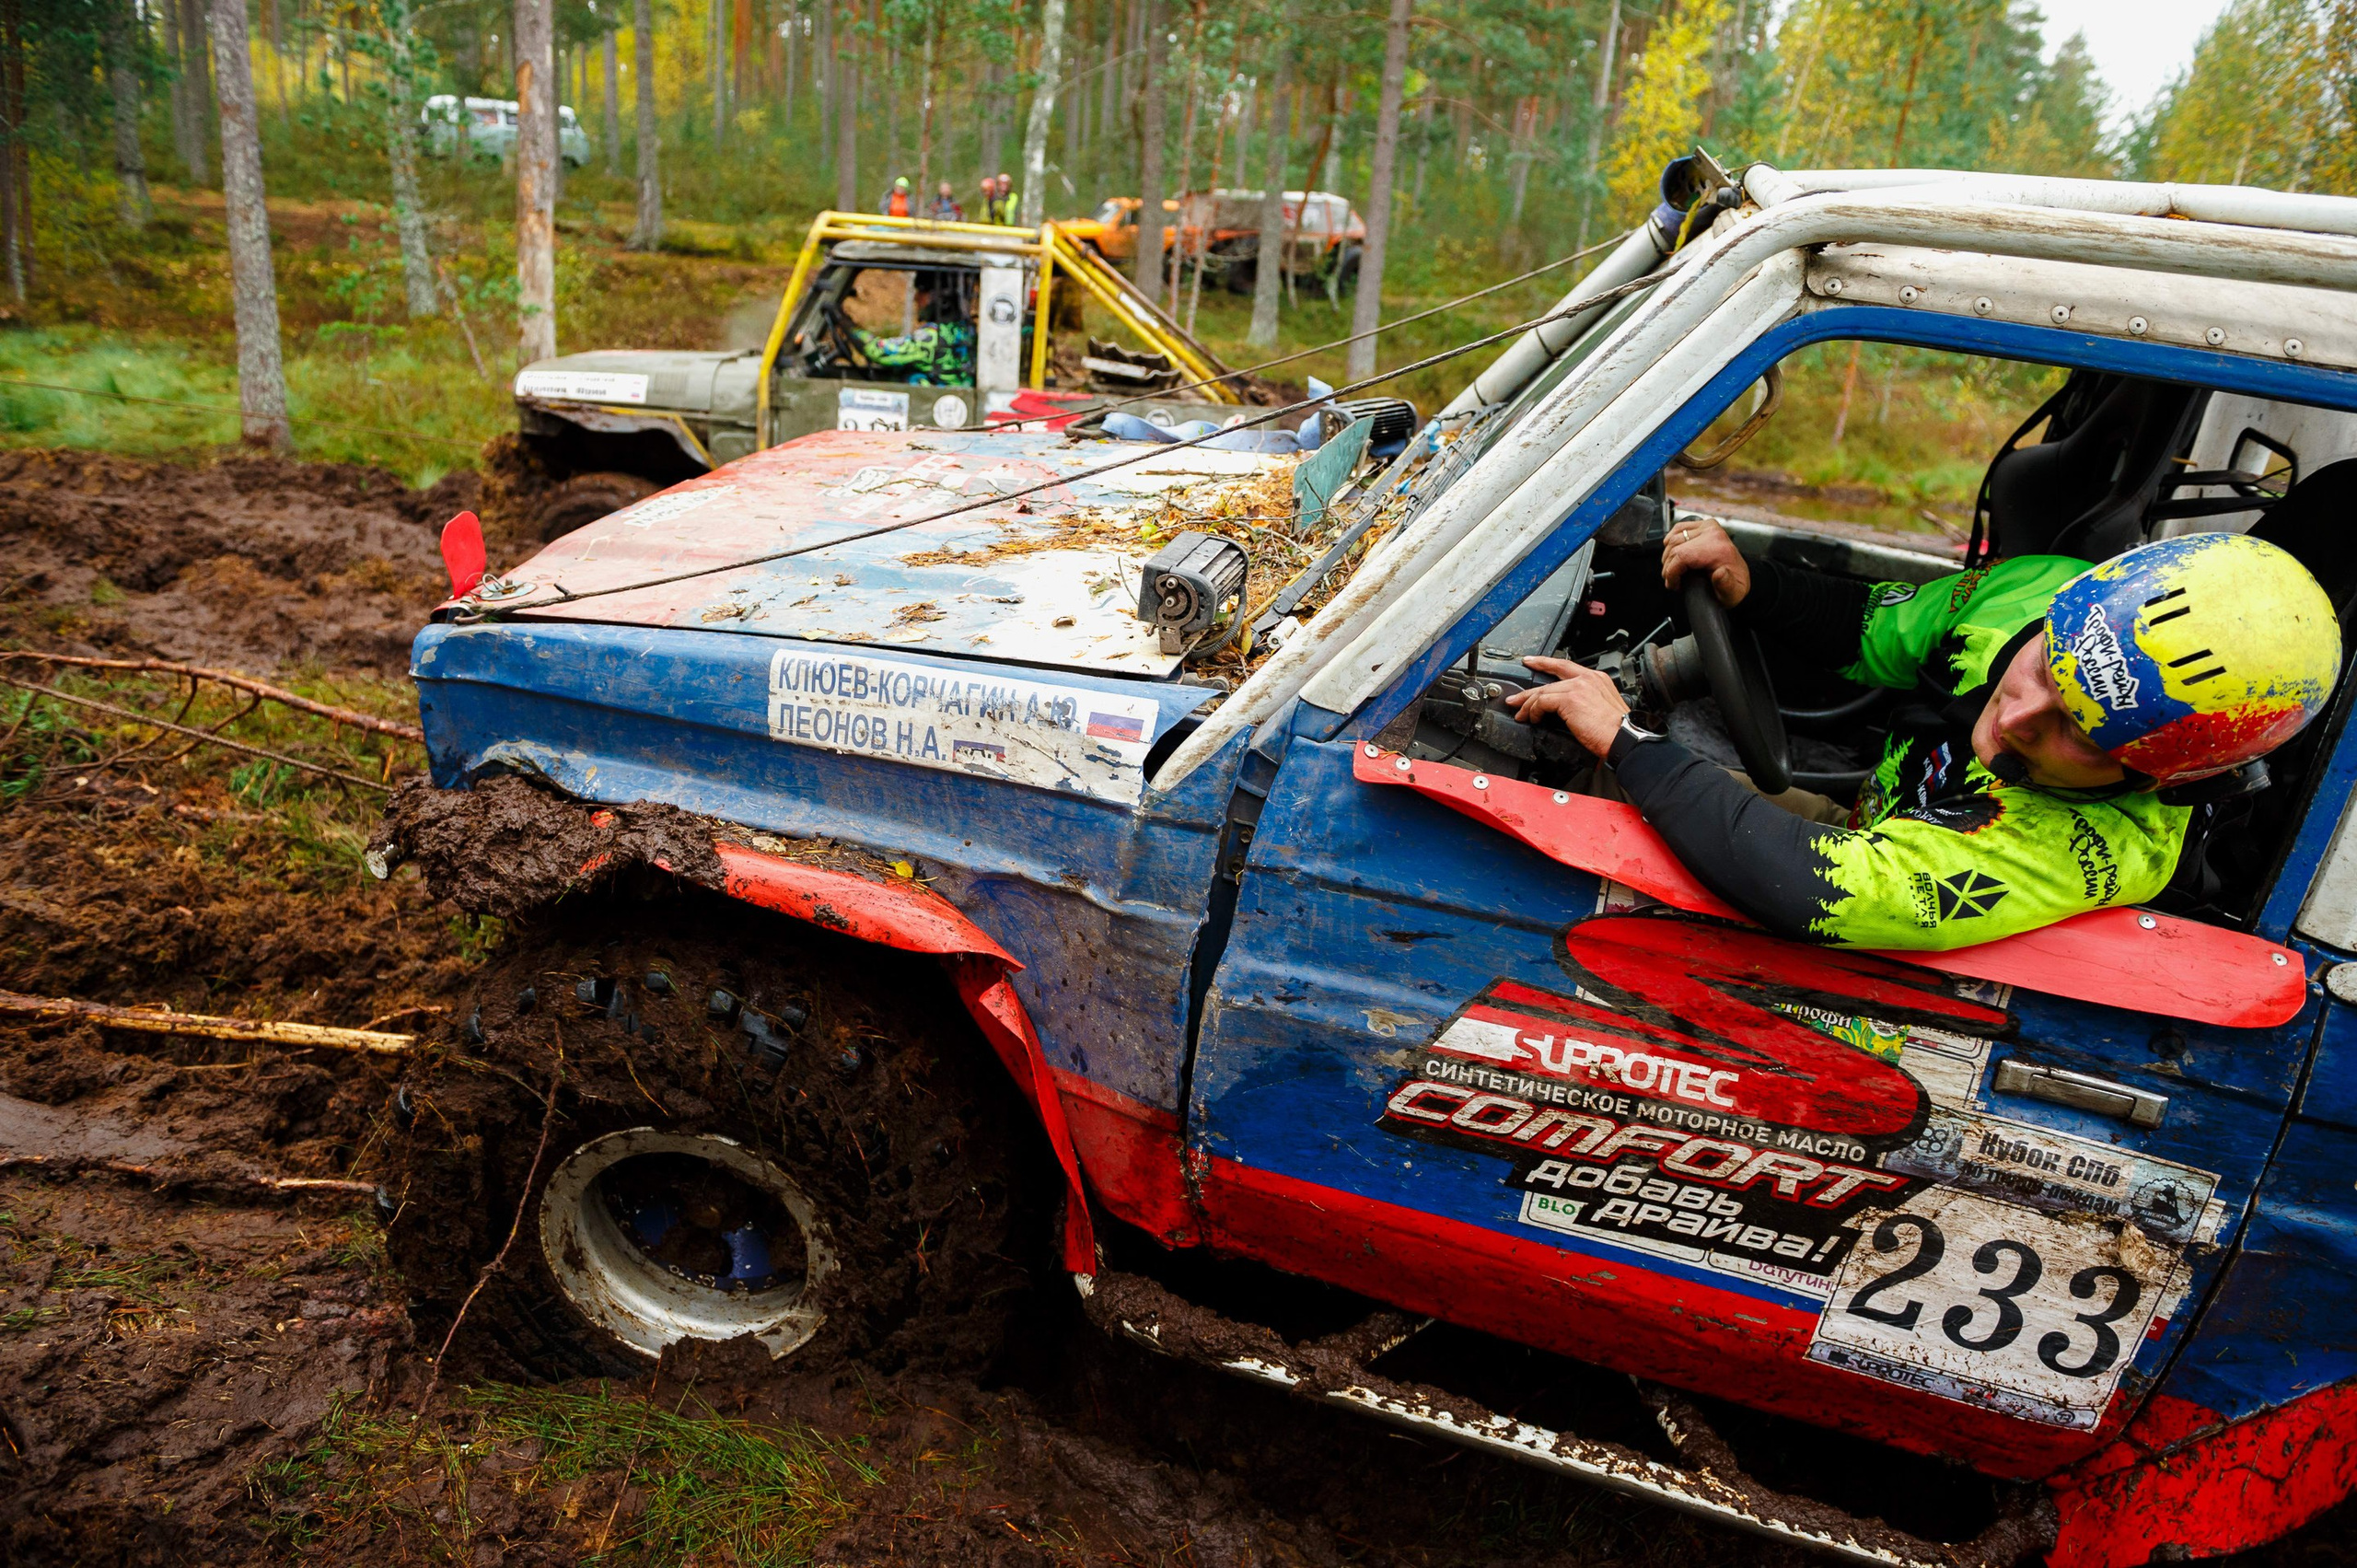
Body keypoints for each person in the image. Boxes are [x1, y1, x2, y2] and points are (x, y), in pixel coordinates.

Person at [1504, 521, 2341, 950]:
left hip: (1851, 908)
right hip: (1867, 826)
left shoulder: (2089, 846)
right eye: (2045, 669)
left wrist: (1628, 739)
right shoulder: (2042, 592)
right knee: (1578, 781)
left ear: (2160, 781)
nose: (2015, 720)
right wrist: (1753, 586)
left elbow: (1812, 885)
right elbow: (1879, 629)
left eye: (2080, 738)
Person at [849, 275, 974, 386]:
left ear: (939, 298)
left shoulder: (933, 337)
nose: (916, 297)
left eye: (922, 292)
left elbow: (878, 351)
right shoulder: (965, 331)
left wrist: (849, 328)